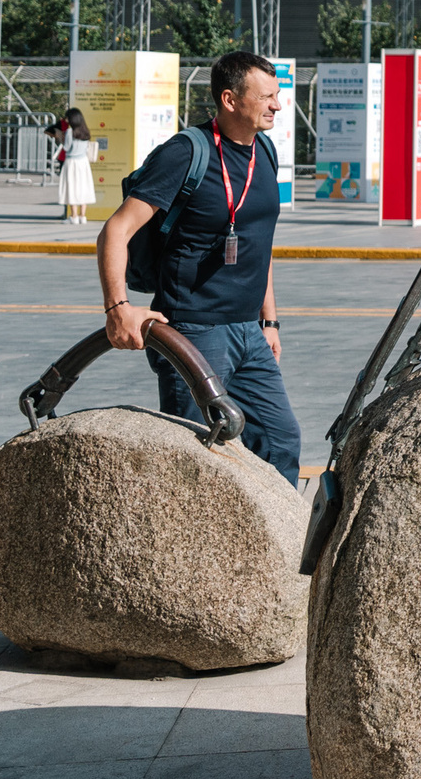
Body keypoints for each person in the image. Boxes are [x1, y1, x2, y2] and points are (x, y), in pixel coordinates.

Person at [95, 50, 301, 486]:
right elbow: (115, 231)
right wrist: (118, 308)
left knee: (280, 442)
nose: (277, 106)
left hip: (249, 331)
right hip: (193, 332)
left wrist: (270, 321)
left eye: (276, 95)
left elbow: (257, 246)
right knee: (195, 460)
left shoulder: (264, 151)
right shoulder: (186, 153)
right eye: (266, 97)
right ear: (230, 100)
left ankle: (271, 550)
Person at [57, 109, 97, 224]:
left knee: (72, 188)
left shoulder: (69, 132)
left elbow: (66, 148)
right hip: (83, 163)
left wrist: (60, 137)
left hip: (71, 162)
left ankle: (74, 216)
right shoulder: (85, 131)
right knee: (83, 187)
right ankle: (82, 216)